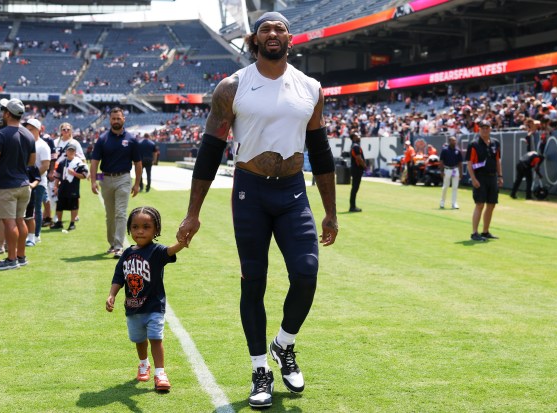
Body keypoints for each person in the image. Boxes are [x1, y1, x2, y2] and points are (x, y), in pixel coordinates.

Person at [176, 12, 338, 408]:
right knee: (255, 281)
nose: (272, 33)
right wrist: (193, 212)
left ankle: (284, 344)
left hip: (293, 192)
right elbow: (210, 151)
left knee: (306, 272)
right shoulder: (232, 87)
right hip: (250, 190)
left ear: (289, 38)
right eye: (265, 28)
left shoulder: (310, 87)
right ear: (254, 38)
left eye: (279, 28)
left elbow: (320, 151)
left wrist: (331, 211)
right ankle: (259, 370)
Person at [106, 206, 184, 392]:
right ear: (129, 229)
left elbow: (172, 250)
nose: (140, 231)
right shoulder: (126, 253)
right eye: (135, 227)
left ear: (156, 229)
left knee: (155, 338)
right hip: (132, 307)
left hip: (154, 306)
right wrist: (112, 295)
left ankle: (160, 373)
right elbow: (119, 277)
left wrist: (183, 240)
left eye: (146, 227)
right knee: (139, 339)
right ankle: (143, 364)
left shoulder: (156, 251)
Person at [0, 98, 35, 270]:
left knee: (9, 223)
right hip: (24, 184)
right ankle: (21, 256)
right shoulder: (29, 134)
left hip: (7, 185)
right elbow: (31, 161)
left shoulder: (1, 135)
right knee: (20, 220)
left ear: (7, 113)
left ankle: (11, 258)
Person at [90, 107, 142, 259]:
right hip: (105, 179)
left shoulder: (132, 140)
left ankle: (119, 247)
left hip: (124, 179)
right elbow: (94, 162)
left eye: (119, 118)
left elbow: (138, 163)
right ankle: (112, 244)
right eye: (114, 118)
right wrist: (94, 181)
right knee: (110, 215)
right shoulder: (102, 139)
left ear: (123, 119)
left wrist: (137, 183)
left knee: (120, 213)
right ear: (110, 120)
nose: (116, 121)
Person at [466, 119, 502, 242]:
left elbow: (498, 160)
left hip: (492, 177)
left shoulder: (495, 143)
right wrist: (473, 179)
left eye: (487, 127)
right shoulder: (474, 144)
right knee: (480, 204)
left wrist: (500, 176)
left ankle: (485, 231)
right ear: (479, 129)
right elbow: (469, 163)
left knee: (491, 204)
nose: (485, 130)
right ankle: (474, 233)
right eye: (482, 128)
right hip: (480, 177)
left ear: (490, 129)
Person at [23, 118, 50, 245]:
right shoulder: (25, 143)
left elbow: (45, 166)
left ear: (38, 130)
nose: (27, 131)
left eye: (30, 129)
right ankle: (27, 234)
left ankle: (36, 235)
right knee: (25, 210)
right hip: (24, 181)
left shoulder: (43, 145)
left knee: (36, 208)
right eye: (26, 129)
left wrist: (33, 177)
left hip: (39, 182)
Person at [52, 146, 88, 231]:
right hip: (63, 186)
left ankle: (72, 223)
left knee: (73, 206)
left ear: (75, 152)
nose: (71, 152)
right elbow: (57, 176)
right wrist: (55, 186)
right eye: (69, 150)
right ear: (66, 152)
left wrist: (74, 173)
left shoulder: (78, 163)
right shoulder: (62, 162)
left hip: (73, 187)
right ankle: (59, 222)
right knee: (59, 205)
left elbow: (84, 176)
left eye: (72, 151)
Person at [439, 136, 463, 209]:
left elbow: (460, 163)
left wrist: (461, 173)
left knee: (455, 187)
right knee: (445, 187)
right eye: (453, 141)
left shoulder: (458, 150)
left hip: (455, 170)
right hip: (447, 169)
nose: (454, 142)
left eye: (455, 140)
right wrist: (441, 171)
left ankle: (454, 203)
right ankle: (442, 202)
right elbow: (441, 161)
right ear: (449, 141)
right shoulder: (445, 150)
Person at [349, 131, 366, 212]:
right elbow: (359, 158)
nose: (359, 136)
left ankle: (352, 206)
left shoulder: (353, 146)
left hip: (355, 169)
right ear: (354, 138)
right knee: (355, 188)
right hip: (357, 169)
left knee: (354, 188)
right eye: (357, 135)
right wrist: (365, 166)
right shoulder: (356, 146)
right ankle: (352, 206)